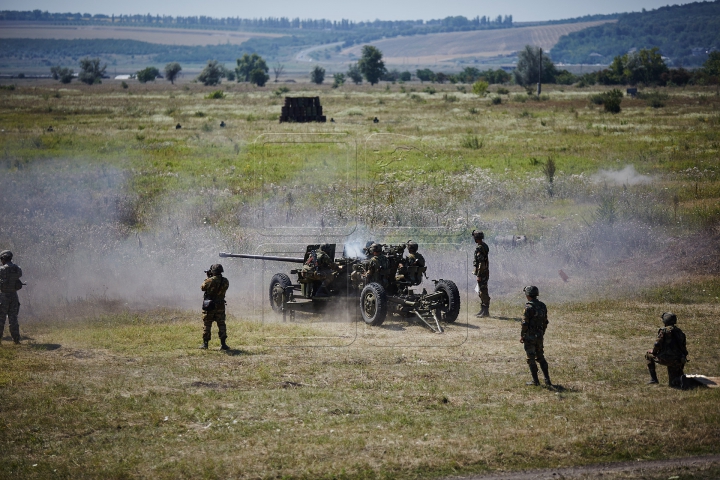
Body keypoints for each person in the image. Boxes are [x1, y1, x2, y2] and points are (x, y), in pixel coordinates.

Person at [645, 312, 688, 387]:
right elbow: (684, 347)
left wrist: (654, 351)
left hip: (666, 359)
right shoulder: (679, 332)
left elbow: (657, 344)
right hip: (678, 360)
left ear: (665, 321)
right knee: (673, 384)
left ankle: (653, 379)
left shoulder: (664, 331)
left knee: (648, 355)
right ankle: (679, 379)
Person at [521, 286, 551, 386]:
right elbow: (545, 322)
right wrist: (542, 333)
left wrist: (523, 335)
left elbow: (525, 323)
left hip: (530, 337)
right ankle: (547, 380)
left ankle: (535, 381)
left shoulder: (528, 307)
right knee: (541, 357)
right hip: (539, 336)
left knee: (531, 358)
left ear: (528, 295)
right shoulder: (542, 306)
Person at [200, 263, 230, 350]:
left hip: (210, 305)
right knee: (221, 324)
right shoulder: (225, 281)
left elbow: (202, 287)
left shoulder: (210, 281)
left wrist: (208, 277)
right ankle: (223, 344)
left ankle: (205, 344)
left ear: (213, 271)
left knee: (207, 323)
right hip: (220, 305)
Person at [0, 250, 22, 345]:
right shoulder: (17, 268)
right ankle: (16, 339)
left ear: (3, 259)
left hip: (3, 296)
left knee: (1, 319)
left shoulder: (1, 270)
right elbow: (19, 275)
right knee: (13, 318)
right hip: (14, 296)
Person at [472, 230, 491, 317]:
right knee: (482, 291)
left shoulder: (479, 248)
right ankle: (483, 310)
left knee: (483, 292)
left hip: (482, 273)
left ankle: (485, 312)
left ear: (476, 238)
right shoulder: (484, 246)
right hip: (485, 272)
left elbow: (481, 263)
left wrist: (479, 275)